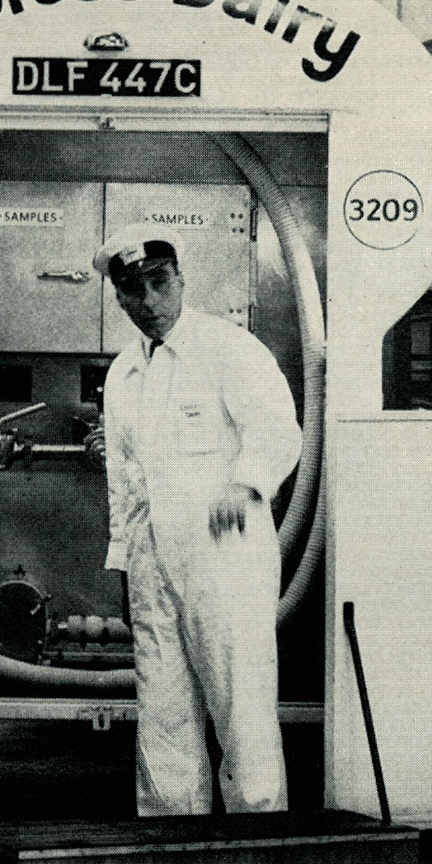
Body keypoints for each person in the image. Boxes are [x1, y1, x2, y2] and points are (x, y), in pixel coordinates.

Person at [97, 223, 301, 818]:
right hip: (152, 562)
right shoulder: (123, 374)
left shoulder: (227, 347)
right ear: (119, 298)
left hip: (224, 559)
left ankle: (256, 838)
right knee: (163, 710)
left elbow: (277, 427)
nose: (151, 302)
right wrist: (123, 558)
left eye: (160, 283)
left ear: (181, 278)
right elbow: (125, 481)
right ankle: (170, 840)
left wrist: (246, 481)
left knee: (242, 705)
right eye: (134, 291)